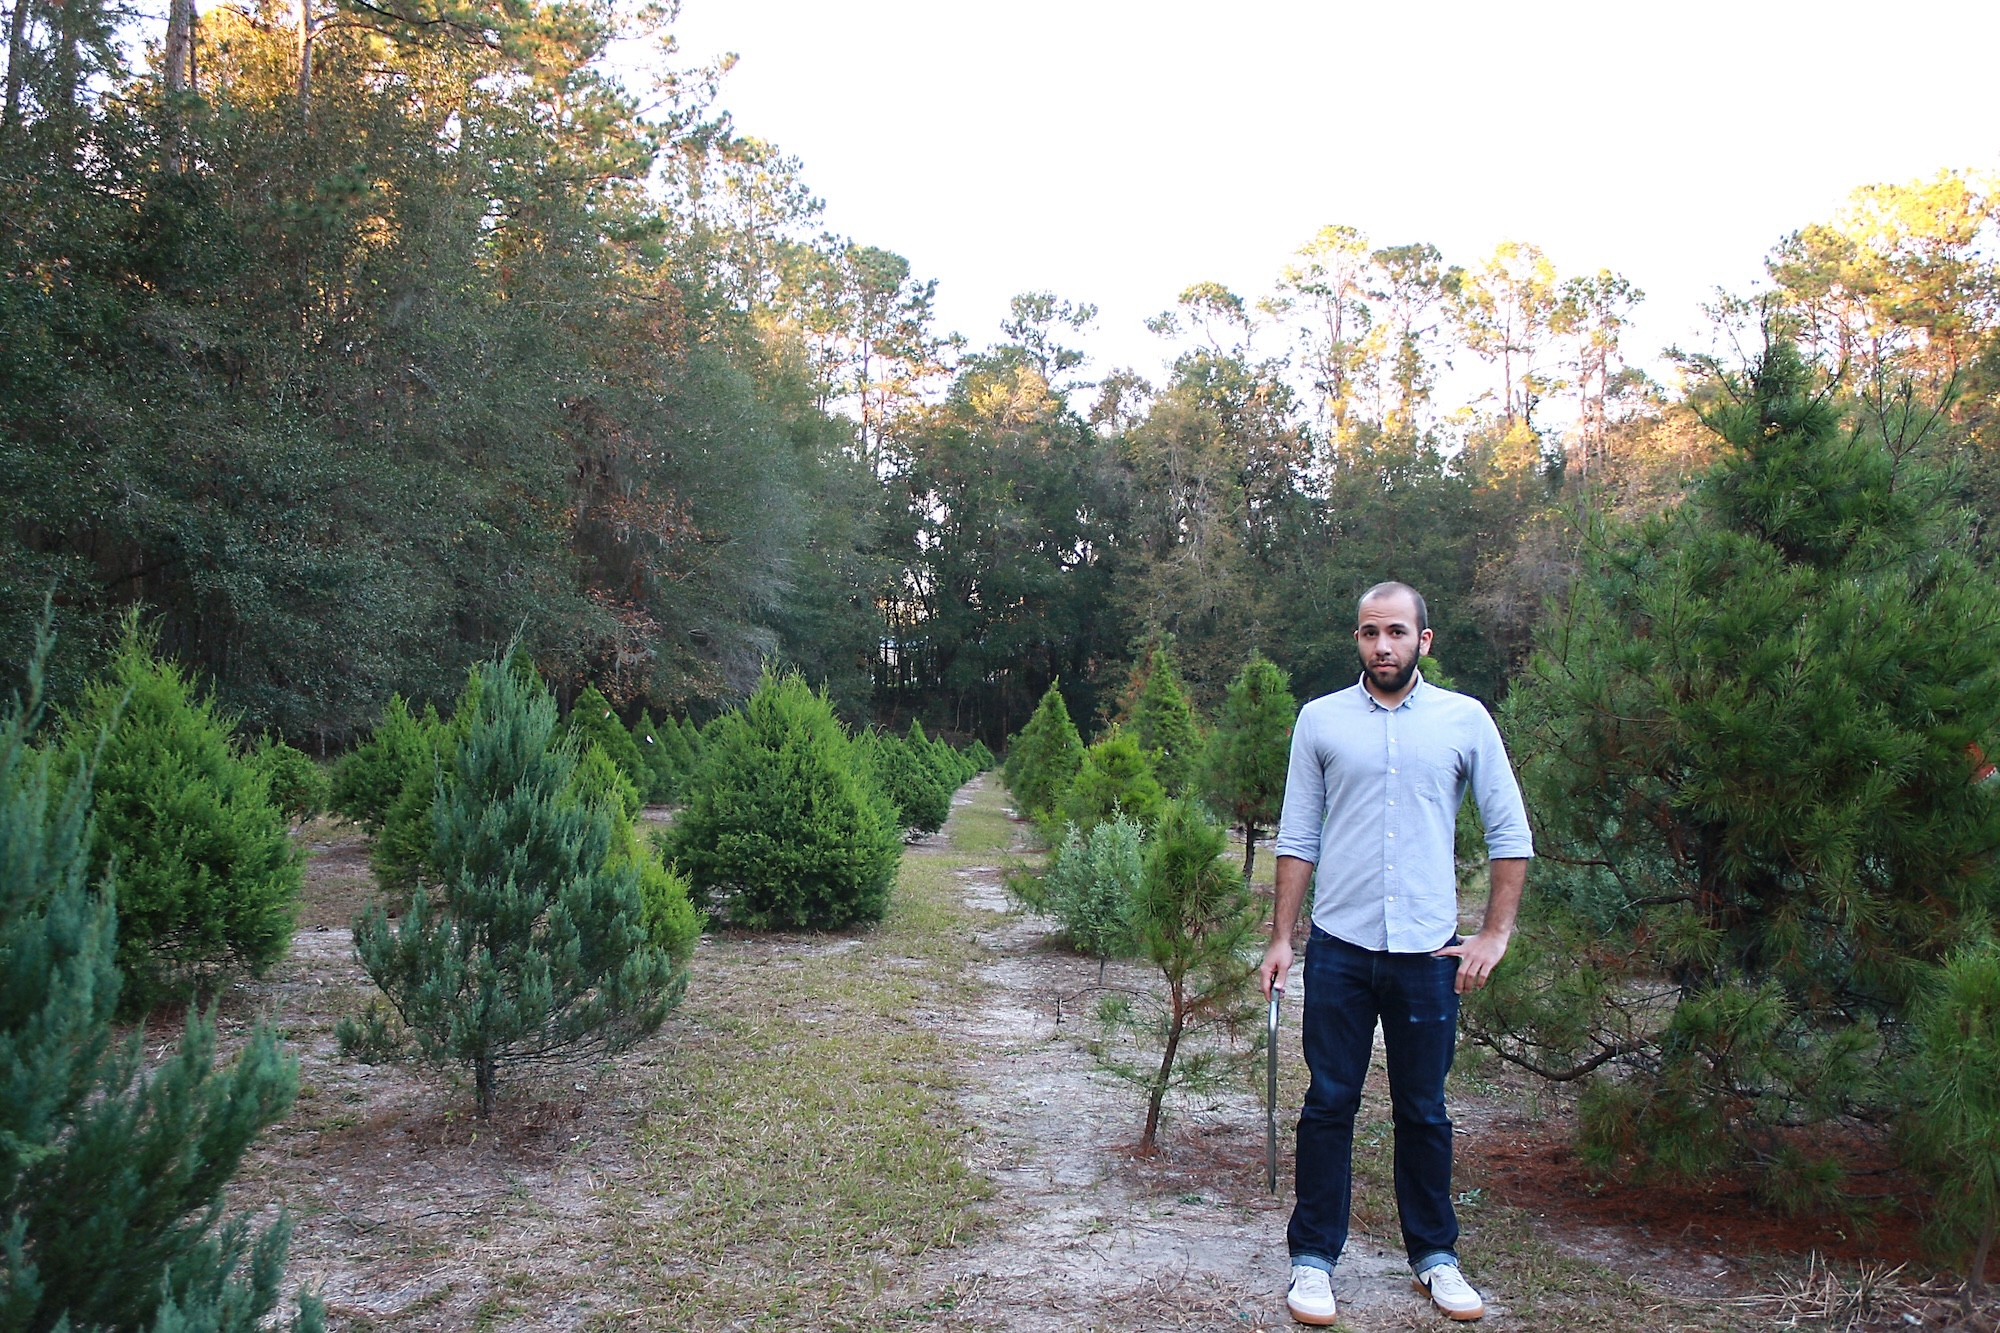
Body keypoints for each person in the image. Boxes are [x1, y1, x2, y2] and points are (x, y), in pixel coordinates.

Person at [1260, 582, 1531, 1326]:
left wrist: (1494, 933)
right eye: (1370, 632)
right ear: (1357, 639)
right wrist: (1284, 938)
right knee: (1328, 1103)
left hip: (1427, 955)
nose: (1383, 645)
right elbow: (1297, 836)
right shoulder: (1320, 720)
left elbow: (1511, 832)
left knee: (1424, 1109)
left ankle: (1435, 1256)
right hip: (1341, 948)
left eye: (1397, 632)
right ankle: (1313, 1260)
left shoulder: (1463, 720)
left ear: (1424, 639)